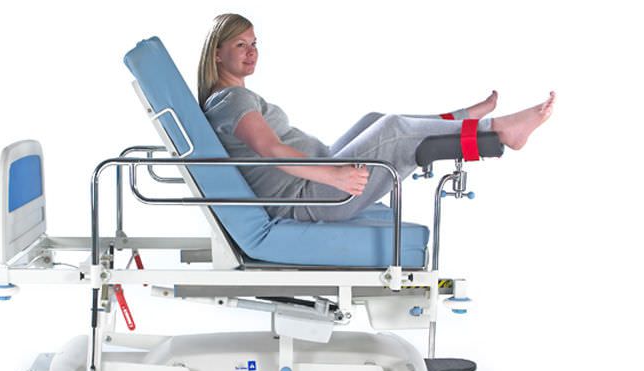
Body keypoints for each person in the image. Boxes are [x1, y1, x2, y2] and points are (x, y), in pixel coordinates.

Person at [199, 14, 554, 222]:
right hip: (309, 196)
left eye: (254, 43)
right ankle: (498, 130)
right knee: (392, 129)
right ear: (217, 54)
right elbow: (271, 150)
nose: (251, 52)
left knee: (376, 120)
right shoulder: (231, 100)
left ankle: (461, 119)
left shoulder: (231, 98)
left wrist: (330, 169)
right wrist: (334, 175)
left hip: (315, 179)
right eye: (240, 45)